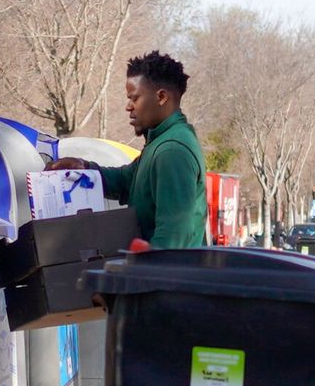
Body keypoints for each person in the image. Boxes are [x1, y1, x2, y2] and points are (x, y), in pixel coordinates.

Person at [47, 51, 208, 249]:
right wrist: (84, 168)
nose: (128, 107)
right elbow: (126, 180)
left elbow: (173, 239)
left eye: (135, 98)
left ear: (162, 97)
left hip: (167, 278)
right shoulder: (160, 143)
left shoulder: (172, 151)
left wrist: (144, 268)